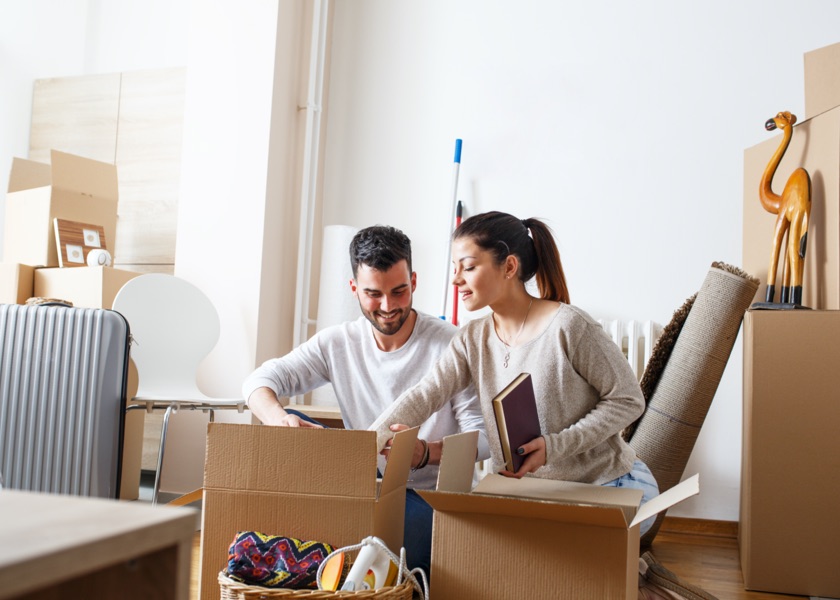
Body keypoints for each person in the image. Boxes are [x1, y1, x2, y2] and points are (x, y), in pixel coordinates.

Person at [370, 211, 660, 534]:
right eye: (455, 268)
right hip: (530, 495)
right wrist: (367, 445)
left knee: (562, 555)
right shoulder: (472, 339)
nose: (456, 280)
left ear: (509, 267)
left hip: (609, 485)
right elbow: (427, 393)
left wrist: (554, 446)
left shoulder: (569, 326)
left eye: (468, 267)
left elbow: (628, 400)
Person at [242, 224, 490, 576]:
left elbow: (484, 438)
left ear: (414, 282)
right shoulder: (337, 343)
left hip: (429, 495)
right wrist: (278, 420)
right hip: (363, 486)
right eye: (373, 294)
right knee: (288, 421)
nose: (388, 306)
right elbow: (258, 381)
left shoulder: (452, 344)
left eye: (399, 291)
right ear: (354, 289)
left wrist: (425, 453)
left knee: (387, 552)